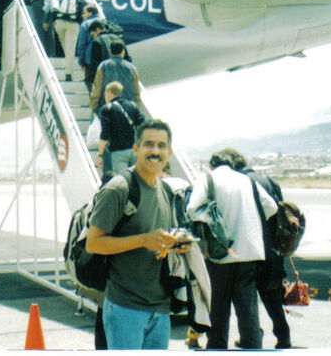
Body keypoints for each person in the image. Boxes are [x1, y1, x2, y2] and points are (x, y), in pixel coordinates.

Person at [86, 119, 189, 350]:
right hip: (125, 307)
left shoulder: (166, 191)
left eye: (162, 146)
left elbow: (159, 239)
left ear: (169, 152)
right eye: (149, 144)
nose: (155, 151)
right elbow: (93, 243)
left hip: (160, 309)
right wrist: (143, 240)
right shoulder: (119, 189)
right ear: (136, 149)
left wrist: (176, 244)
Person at [187, 148, 278, 350]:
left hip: (221, 253)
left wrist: (214, 221)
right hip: (250, 252)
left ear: (212, 164)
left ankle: (217, 347)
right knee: (248, 310)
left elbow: (192, 209)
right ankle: (252, 347)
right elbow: (271, 207)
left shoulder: (207, 178)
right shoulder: (246, 180)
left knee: (218, 309)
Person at [239, 165, 291, 349]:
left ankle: (254, 334)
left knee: (247, 296)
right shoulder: (270, 181)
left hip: (253, 248)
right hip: (274, 249)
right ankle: (283, 336)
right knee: (272, 296)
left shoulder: (243, 183)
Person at [97, 81, 145, 176]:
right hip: (134, 150)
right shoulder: (133, 106)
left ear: (109, 92)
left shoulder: (107, 109)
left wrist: (100, 154)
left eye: (105, 93)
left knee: (123, 183)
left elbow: (105, 134)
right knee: (136, 180)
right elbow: (143, 125)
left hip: (118, 152)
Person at [48, 0, 86, 80]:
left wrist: (48, 21)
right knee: (70, 48)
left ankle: (67, 64)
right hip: (73, 24)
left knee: (64, 44)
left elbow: (50, 7)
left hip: (59, 23)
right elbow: (85, 7)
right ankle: (68, 73)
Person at [89, 40, 141, 114]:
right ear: (123, 52)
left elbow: (97, 89)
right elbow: (136, 92)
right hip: (128, 109)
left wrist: (94, 107)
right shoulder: (132, 68)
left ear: (110, 52)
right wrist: (137, 109)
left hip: (107, 108)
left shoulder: (103, 66)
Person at [75, 4, 101, 91]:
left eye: (84, 13)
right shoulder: (104, 21)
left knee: (89, 81)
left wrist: (81, 62)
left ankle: (94, 101)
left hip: (90, 58)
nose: (82, 15)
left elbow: (82, 45)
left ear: (90, 13)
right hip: (104, 56)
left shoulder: (85, 24)